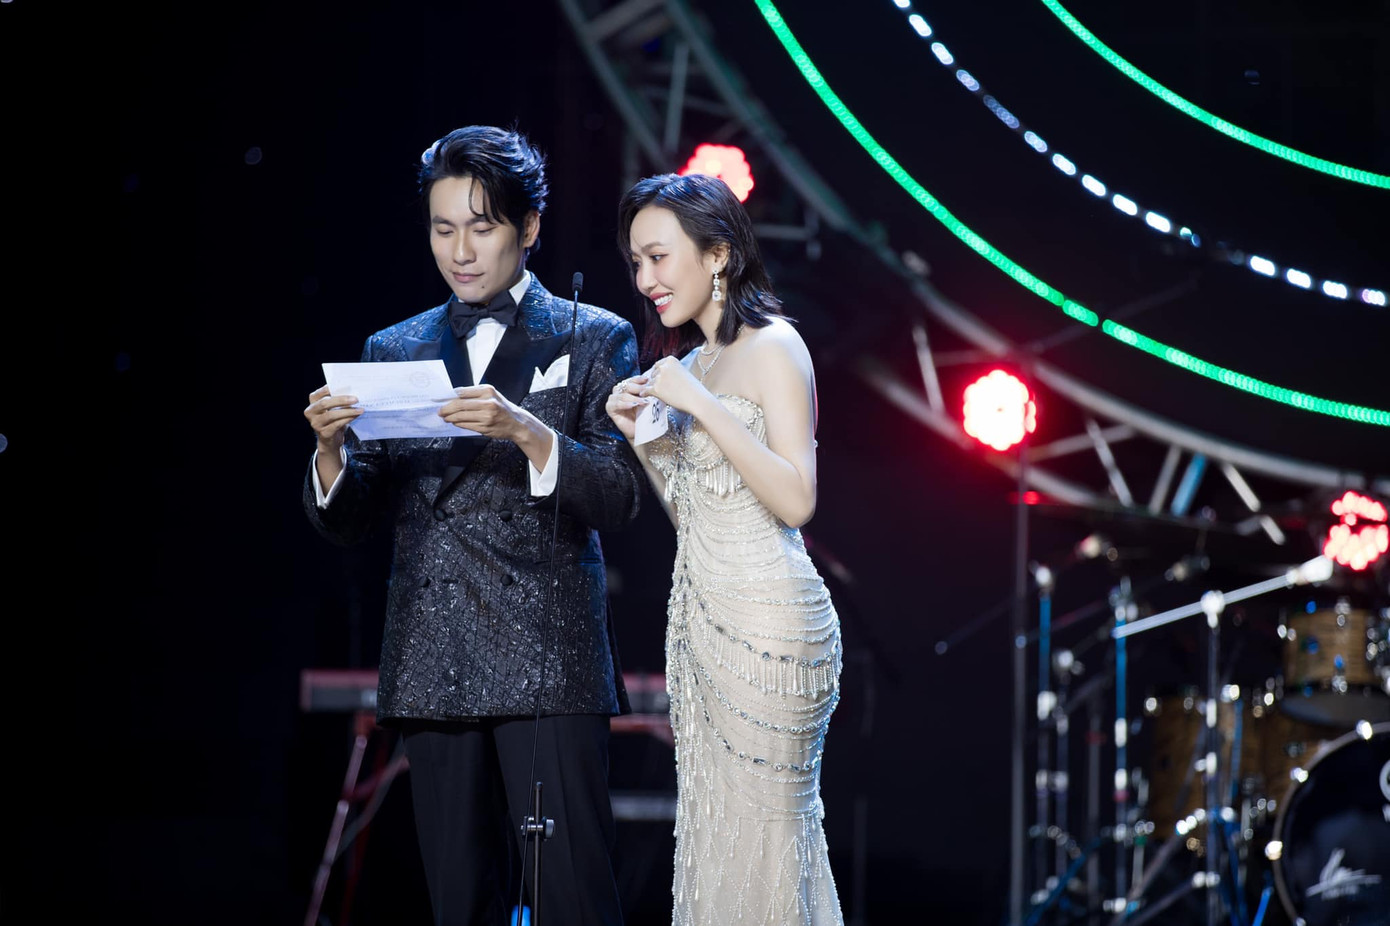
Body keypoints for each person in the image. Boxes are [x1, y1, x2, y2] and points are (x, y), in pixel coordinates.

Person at [302, 125, 642, 926]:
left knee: (573, 900)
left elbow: (620, 495)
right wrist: (330, 453)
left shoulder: (592, 335)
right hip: (434, 656)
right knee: (459, 903)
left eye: (481, 228)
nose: (460, 251)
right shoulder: (396, 347)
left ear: (528, 227)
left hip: (548, 657)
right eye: (442, 228)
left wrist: (527, 431)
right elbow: (353, 518)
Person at [606, 173, 844, 925]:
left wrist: (702, 407)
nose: (645, 280)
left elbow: (796, 500)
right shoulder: (691, 367)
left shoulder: (776, 346)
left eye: (657, 258)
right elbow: (697, 516)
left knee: (764, 838)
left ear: (717, 255)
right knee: (714, 835)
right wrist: (640, 440)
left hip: (772, 627)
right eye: (636, 263)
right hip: (702, 629)